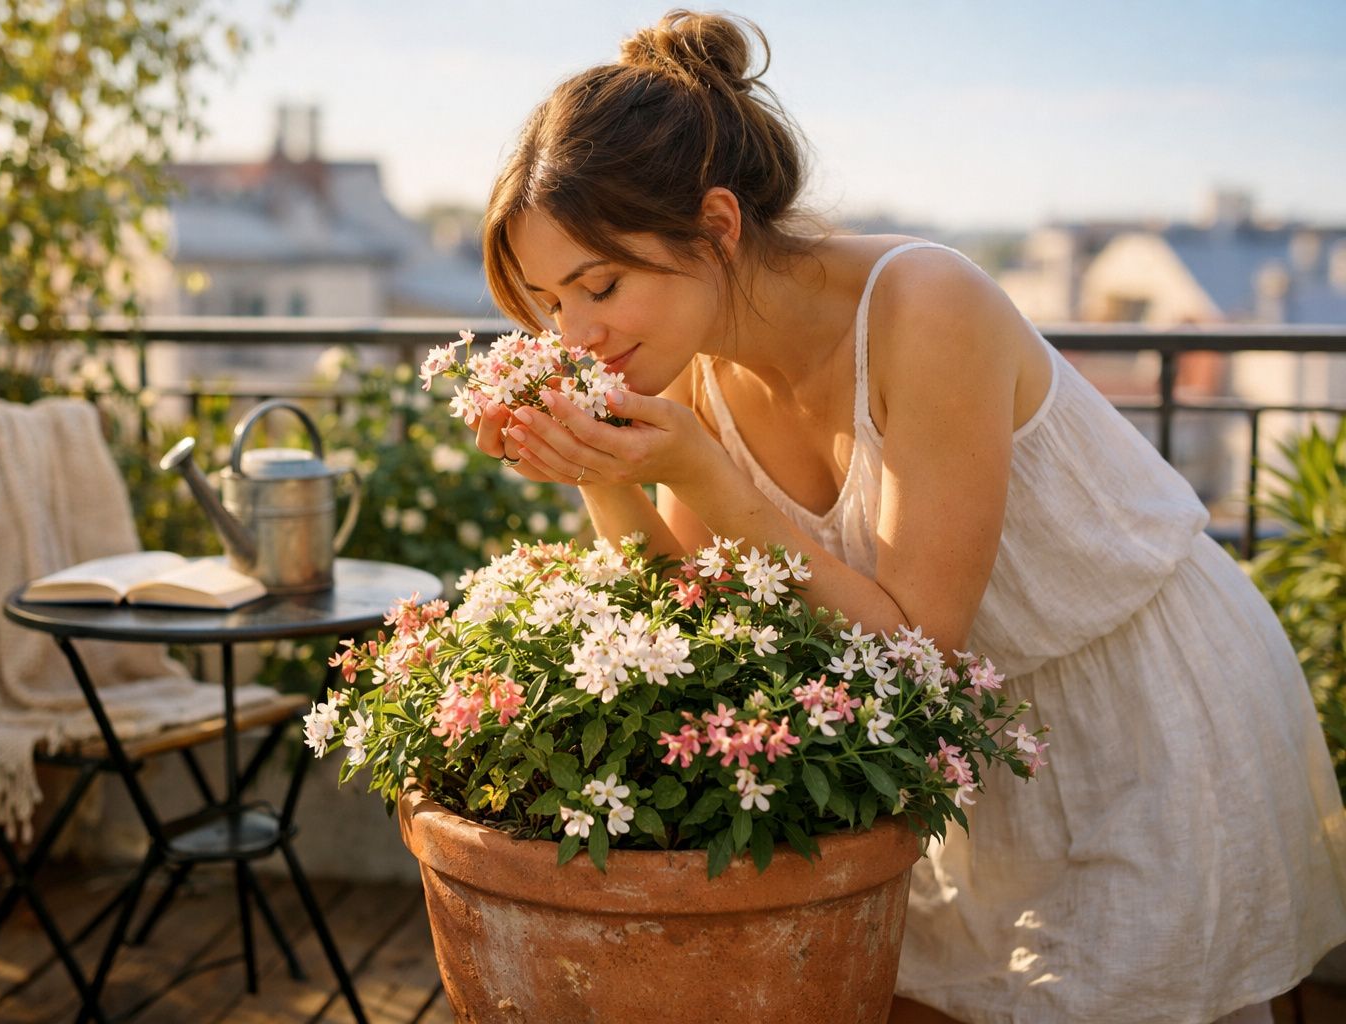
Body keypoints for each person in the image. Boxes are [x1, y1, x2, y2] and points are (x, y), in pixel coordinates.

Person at [466, 9, 1346, 1023]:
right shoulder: (690, 375)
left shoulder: (926, 305)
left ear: (716, 226)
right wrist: (597, 466)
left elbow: (922, 649)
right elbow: (700, 623)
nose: (574, 336)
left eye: (599, 285)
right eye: (546, 305)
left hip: (1138, 715)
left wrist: (705, 475)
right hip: (963, 760)